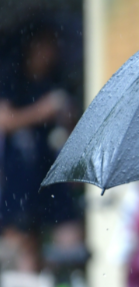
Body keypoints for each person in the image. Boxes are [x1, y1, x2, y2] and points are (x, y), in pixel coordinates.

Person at [0, 22, 82, 272]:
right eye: (47, 46)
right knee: (22, 245)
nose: (51, 53)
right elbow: (4, 120)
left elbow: (71, 129)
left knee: (69, 238)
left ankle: (60, 285)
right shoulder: (13, 77)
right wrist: (41, 111)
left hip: (52, 172)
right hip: (21, 174)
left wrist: (67, 117)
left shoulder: (56, 79)